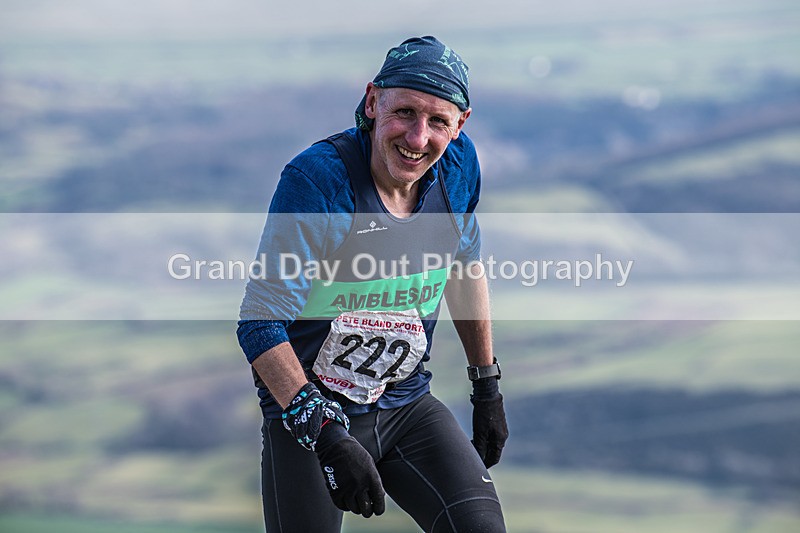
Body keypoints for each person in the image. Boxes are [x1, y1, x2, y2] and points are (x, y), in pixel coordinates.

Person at [237, 35, 508, 532]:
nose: (418, 138)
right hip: (310, 419)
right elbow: (259, 323)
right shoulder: (319, 180)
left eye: (438, 121)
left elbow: (464, 265)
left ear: (460, 124)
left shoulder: (458, 167)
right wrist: (323, 432)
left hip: (407, 405)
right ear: (372, 101)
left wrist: (486, 386)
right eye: (405, 112)